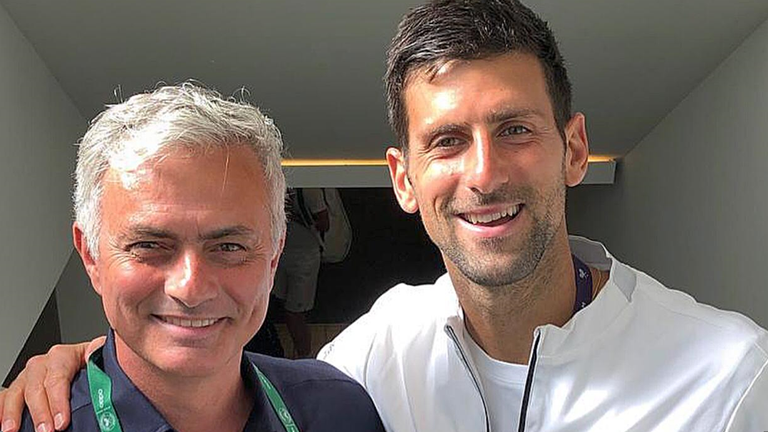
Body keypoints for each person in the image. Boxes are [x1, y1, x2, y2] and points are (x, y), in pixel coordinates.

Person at [2, 1, 767, 431]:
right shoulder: (374, 356)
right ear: (403, 178)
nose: (484, 172)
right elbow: (205, 360)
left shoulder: (731, 375)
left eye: (516, 130)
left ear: (575, 148)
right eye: (446, 141)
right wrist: (79, 360)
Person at [1, 84, 384, 432]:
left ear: (273, 256)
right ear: (91, 256)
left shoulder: (339, 410)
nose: (191, 288)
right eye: (149, 245)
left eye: (229, 247)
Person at [273, 188, 329, 358]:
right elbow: (324, 222)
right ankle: (301, 357)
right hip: (282, 252)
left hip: (301, 255)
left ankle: (304, 358)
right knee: (285, 306)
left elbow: (324, 222)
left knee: (293, 312)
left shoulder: (309, 188)